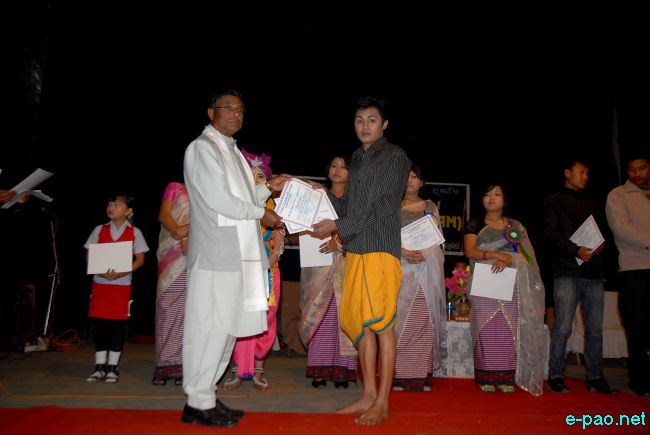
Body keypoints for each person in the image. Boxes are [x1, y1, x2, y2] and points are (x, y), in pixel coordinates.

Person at [181, 90, 290, 428]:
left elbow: (243, 197)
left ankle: (205, 397)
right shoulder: (202, 148)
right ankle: (198, 401)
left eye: (240, 109)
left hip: (238, 255)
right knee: (210, 328)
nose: (235, 114)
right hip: (216, 255)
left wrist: (268, 188)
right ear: (210, 112)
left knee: (227, 330)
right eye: (227, 108)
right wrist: (262, 214)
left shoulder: (234, 153)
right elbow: (219, 200)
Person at [312, 96, 411, 425]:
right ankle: (368, 394)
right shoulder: (356, 157)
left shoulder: (395, 156)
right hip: (355, 252)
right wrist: (316, 194)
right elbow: (348, 208)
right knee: (362, 325)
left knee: (383, 326)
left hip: (380, 250)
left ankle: (383, 401)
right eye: (359, 120)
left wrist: (339, 227)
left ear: (384, 124)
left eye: (371, 120)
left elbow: (384, 205)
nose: (364, 126)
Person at [463, 183, 546, 396]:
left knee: (507, 330)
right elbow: (470, 251)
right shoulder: (475, 223)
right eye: (487, 194)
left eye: (497, 194)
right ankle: (486, 377)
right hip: (484, 285)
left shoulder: (515, 227)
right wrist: (496, 255)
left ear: (505, 199)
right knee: (486, 330)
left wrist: (510, 259)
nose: (491, 198)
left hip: (511, 285)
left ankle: (506, 376)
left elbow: (527, 258)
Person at [544, 159, 615, 394]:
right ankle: (556, 374)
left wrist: (602, 243)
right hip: (566, 271)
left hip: (594, 272)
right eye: (581, 172)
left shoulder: (594, 201)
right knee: (563, 327)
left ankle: (595, 376)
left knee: (595, 329)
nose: (585, 176)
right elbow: (551, 234)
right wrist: (575, 250)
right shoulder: (555, 200)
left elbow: (605, 231)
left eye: (587, 173)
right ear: (567, 173)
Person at [221, 149, 285, 392]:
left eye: (260, 176)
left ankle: (258, 370)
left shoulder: (276, 208)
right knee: (240, 316)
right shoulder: (239, 206)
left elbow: (279, 238)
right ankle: (238, 369)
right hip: (242, 269)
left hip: (269, 271)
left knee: (266, 319)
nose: (255, 180)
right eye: (250, 176)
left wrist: (271, 258)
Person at [299, 155, 357, 389]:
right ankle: (319, 368)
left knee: (343, 314)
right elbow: (302, 224)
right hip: (318, 264)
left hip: (347, 262)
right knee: (320, 314)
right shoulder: (317, 197)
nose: (338, 170)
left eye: (344, 167)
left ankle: (343, 369)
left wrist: (341, 244)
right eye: (334, 165)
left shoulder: (357, 201)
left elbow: (363, 228)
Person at [84, 194, 149, 383]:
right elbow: (89, 255)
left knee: (116, 326)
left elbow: (140, 260)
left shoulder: (135, 232)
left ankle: (113, 367)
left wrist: (122, 272)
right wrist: (99, 270)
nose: (111, 207)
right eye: (110, 203)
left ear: (128, 211)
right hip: (100, 284)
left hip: (121, 286)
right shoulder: (99, 229)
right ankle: (99, 366)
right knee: (101, 326)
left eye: (117, 204)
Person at [392, 163, 446, 392]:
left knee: (423, 322)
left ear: (422, 182)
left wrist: (425, 255)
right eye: (406, 176)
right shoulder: (391, 206)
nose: (410, 180)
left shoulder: (429, 207)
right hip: (398, 271)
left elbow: (438, 243)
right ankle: (399, 374)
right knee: (399, 322)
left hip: (424, 272)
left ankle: (421, 374)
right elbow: (383, 237)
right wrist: (400, 250)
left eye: (415, 176)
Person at [605, 147, 650, 397]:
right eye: (632, 169)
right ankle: (640, 381)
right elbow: (622, 228)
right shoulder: (618, 195)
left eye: (642, 168)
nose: (637, 173)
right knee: (637, 328)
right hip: (635, 269)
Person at [152, 182, 189, 386]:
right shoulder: (174, 187)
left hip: (195, 252)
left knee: (188, 311)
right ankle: (164, 364)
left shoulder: (206, 190)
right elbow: (163, 215)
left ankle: (183, 365)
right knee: (167, 307)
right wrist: (179, 232)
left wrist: (188, 232)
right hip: (171, 255)